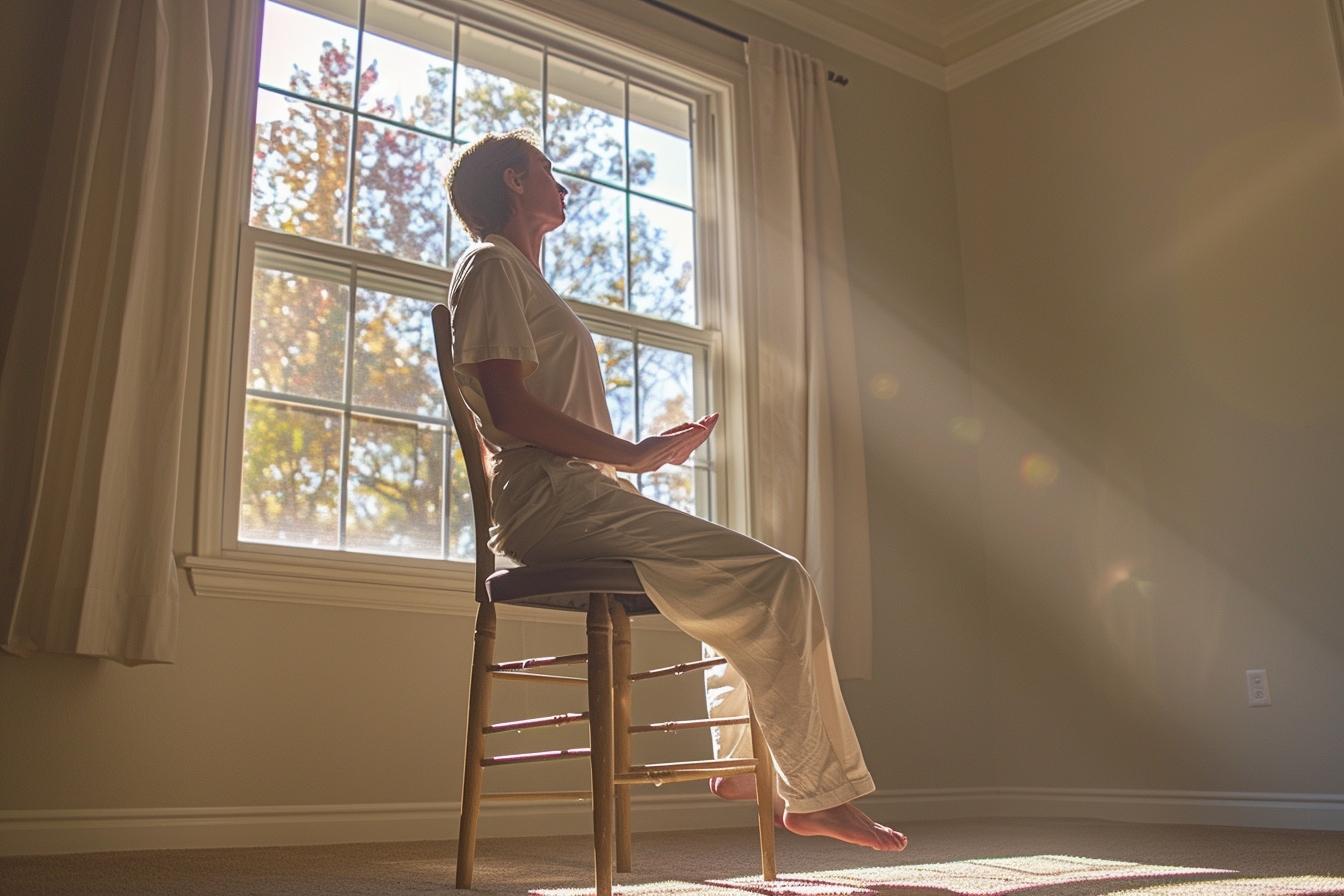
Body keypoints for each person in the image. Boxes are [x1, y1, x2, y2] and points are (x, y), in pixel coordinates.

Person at [442, 128, 906, 853]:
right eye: (546, 170)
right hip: (548, 498)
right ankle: (816, 794)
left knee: (762, 584)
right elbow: (509, 411)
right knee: (776, 577)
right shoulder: (491, 265)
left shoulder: (523, 278)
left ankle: (742, 768)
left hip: (575, 494)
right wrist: (633, 455)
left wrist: (638, 458)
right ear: (511, 181)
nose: (561, 185)